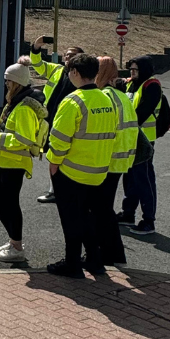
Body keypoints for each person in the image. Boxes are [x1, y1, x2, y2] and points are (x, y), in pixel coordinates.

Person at [45, 54, 118, 278]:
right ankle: (95, 261)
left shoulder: (73, 101)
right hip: (98, 171)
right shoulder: (107, 99)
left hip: (72, 171)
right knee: (88, 218)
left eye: (69, 72)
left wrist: (53, 165)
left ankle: (72, 264)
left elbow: (58, 139)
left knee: (71, 220)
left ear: (75, 72)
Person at [0, 63, 48, 264]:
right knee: (0, 201)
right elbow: (9, 126)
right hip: (7, 160)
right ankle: (13, 241)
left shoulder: (24, 107)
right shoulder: (17, 102)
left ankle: (17, 246)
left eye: (8, 80)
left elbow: (24, 139)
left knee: (8, 203)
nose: (6, 83)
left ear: (16, 82)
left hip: (15, 161)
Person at [94, 56, 138, 266]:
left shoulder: (105, 96)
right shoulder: (121, 96)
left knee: (100, 210)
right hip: (122, 160)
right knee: (104, 208)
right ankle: (114, 254)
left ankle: (110, 253)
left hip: (107, 161)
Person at [30, 37, 85, 204]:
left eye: (73, 55)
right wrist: (36, 47)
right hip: (51, 121)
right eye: (67, 55)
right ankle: (54, 190)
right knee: (53, 156)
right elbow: (38, 65)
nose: (68, 58)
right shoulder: (57, 70)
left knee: (69, 158)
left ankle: (69, 191)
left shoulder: (85, 76)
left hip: (72, 122)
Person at [119, 55, 162, 235]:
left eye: (135, 70)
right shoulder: (132, 84)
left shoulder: (151, 86)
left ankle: (148, 220)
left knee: (144, 179)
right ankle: (128, 213)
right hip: (131, 137)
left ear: (143, 70)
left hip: (144, 140)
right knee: (130, 178)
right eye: (131, 70)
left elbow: (141, 113)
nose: (132, 73)